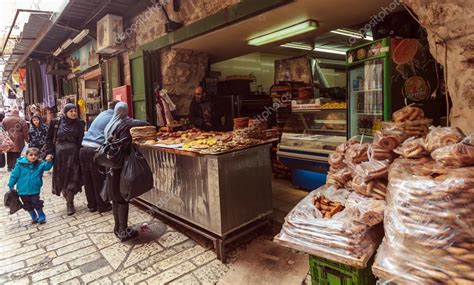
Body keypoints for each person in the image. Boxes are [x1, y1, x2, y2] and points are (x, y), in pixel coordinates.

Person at [104, 102, 147, 241]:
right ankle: (123, 231)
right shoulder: (126, 123)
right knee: (122, 198)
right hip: (121, 166)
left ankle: (117, 228)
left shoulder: (110, 124)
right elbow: (146, 123)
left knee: (115, 197)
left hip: (110, 166)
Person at [44, 103, 85, 216]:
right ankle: (67, 196)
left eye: (75, 111)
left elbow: (81, 140)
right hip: (60, 156)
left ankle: (70, 204)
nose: (73, 113)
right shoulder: (56, 123)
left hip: (74, 156)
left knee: (73, 178)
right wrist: (50, 153)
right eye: (71, 111)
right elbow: (48, 139)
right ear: (65, 112)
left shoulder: (79, 123)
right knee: (62, 179)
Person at [79, 101, 119, 213]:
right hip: (94, 150)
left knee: (88, 179)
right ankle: (103, 205)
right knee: (98, 179)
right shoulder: (114, 117)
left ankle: (92, 205)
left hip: (83, 149)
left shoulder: (103, 114)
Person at [8, 148, 53, 224]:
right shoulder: (20, 165)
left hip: (34, 189)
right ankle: (33, 216)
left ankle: (41, 215)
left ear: (38, 156)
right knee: (27, 204)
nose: (33, 157)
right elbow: (14, 175)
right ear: (26, 155)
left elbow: (47, 167)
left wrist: (49, 160)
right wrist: (11, 184)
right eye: (31, 155)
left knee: (36, 202)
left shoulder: (40, 165)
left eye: (35, 155)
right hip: (22, 190)